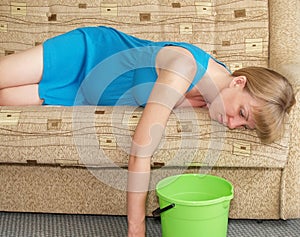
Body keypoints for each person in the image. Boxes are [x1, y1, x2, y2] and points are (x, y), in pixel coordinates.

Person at [0, 26, 295, 236]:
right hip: (86, 54)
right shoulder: (184, 68)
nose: (233, 124)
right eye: (242, 113)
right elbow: (141, 148)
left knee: (6, 99)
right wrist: (136, 229)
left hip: (85, 93)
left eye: (245, 126)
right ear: (239, 82)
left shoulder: (217, 86)